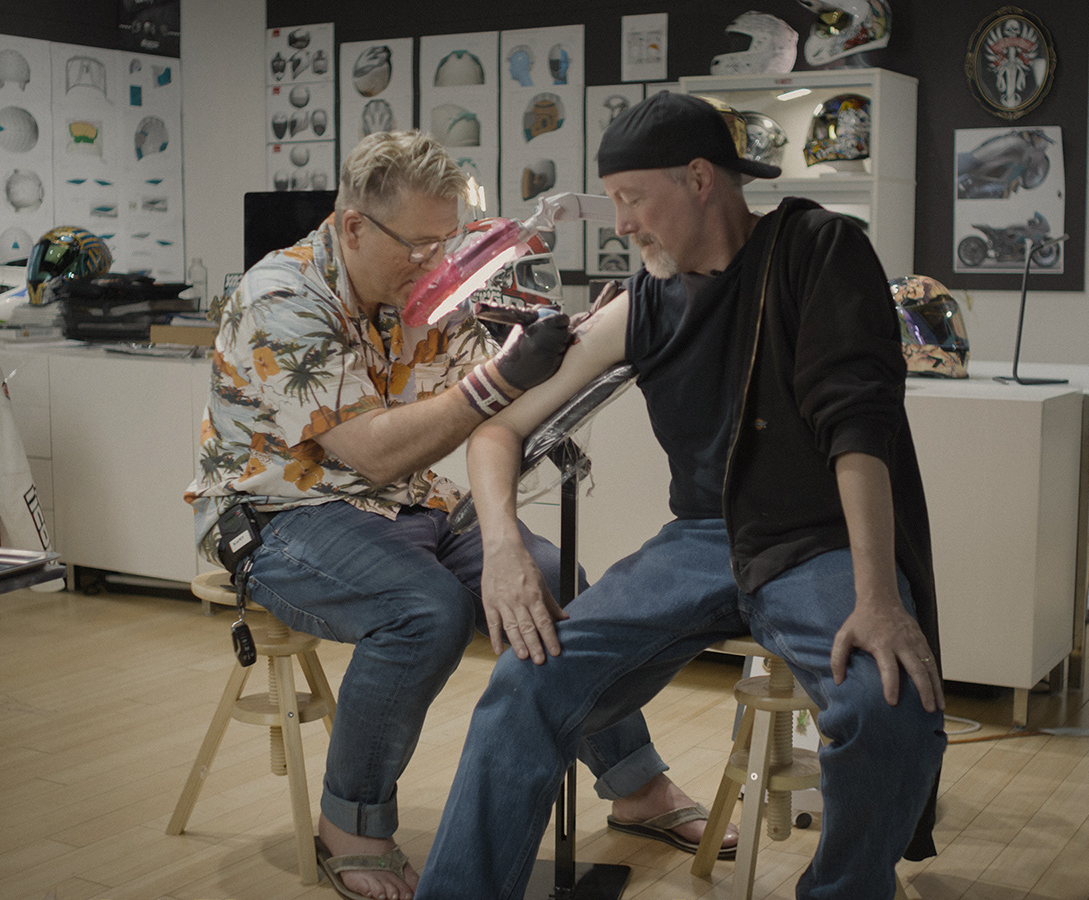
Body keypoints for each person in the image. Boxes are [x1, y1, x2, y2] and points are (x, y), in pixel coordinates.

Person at [415, 93, 947, 900]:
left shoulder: (818, 249)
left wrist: (878, 598)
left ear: (699, 179)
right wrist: (502, 549)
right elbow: (498, 432)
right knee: (525, 682)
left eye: (632, 199)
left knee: (886, 705)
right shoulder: (646, 302)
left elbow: (858, 429)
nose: (621, 224)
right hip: (706, 537)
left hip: (821, 541)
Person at [184, 130, 733, 900]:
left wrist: (577, 346)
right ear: (353, 227)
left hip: (405, 504)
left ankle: (636, 783)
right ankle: (348, 824)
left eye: (448, 242)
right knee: (424, 612)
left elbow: (498, 403)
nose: (435, 262)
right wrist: (499, 380)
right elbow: (375, 452)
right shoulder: (283, 297)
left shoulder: (427, 286)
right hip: (279, 511)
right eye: (419, 245)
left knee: (552, 579)